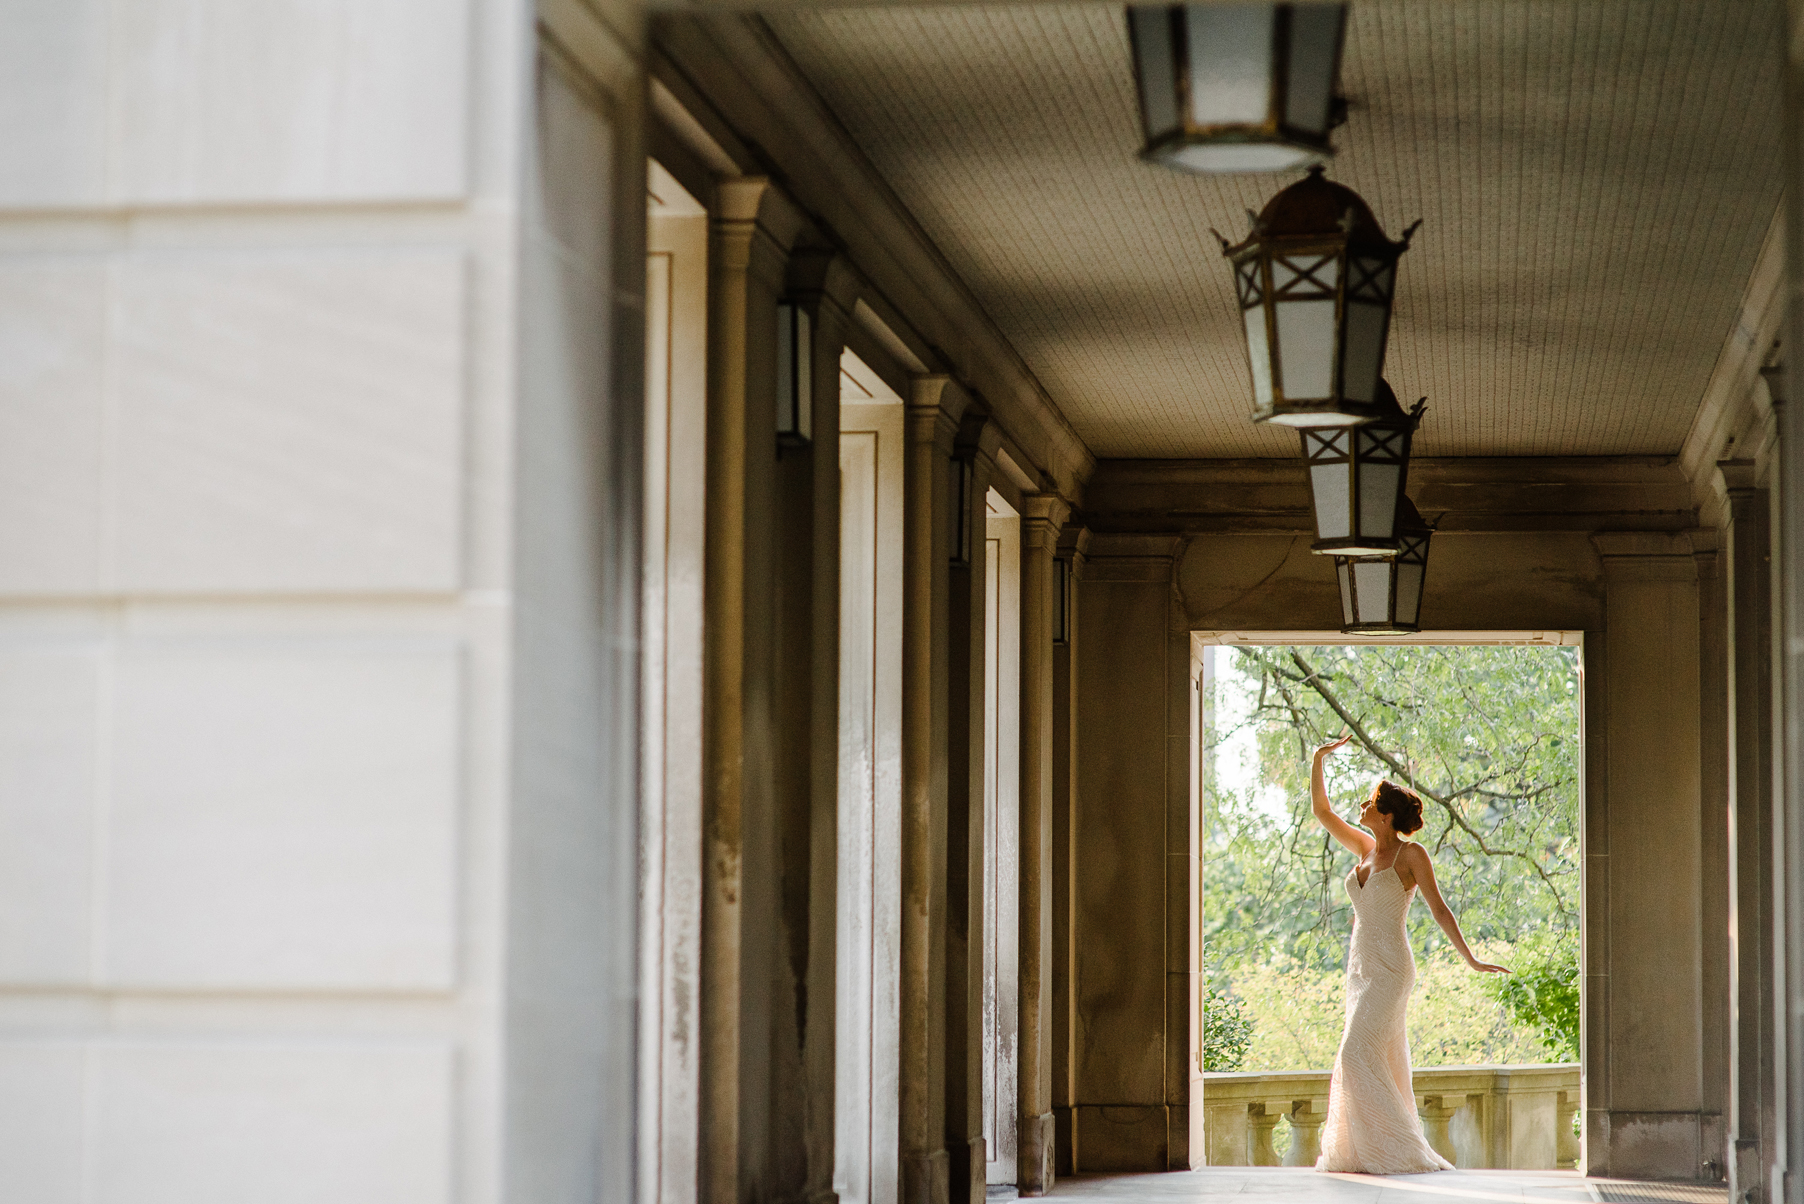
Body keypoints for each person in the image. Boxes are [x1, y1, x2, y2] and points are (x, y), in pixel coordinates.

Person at [1308, 733, 1509, 1175]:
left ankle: (1400, 1148)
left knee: (1355, 1052)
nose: (1359, 807)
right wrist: (1319, 758)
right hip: (1359, 970)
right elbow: (1321, 811)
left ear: (1384, 813)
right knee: (1375, 1055)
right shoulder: (1363, 849)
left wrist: (1471, 959)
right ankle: (1364, 1149)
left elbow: (1439, 908)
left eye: (1367, 802)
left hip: (1392, 969)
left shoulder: (1410, 854)